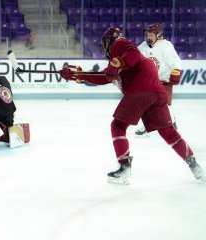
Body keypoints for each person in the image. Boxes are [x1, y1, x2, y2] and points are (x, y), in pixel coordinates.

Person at [60, 28, 205, 184]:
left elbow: (132, 54)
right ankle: (194, 165)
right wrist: (78, 75)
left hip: (140, 91)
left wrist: (117, 63)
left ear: (109, 42)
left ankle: (124, 168)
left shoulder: (119, 44)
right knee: (168, 132)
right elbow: (103, 77)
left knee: (118, 126)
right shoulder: (119, 61)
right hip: (158, 93)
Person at [135, 23, 181, 136]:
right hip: (149, 80)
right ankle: (148, 125)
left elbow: (175, 61)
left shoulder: (166, 45)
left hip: (163, 79)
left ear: (158, 35)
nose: (149, 37)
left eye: (151, 35)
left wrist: (176, 70)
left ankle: (170, 119)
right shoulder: (142, 47)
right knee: (145, 104)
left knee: (161, 104)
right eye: (148, 35)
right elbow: (135, 61)